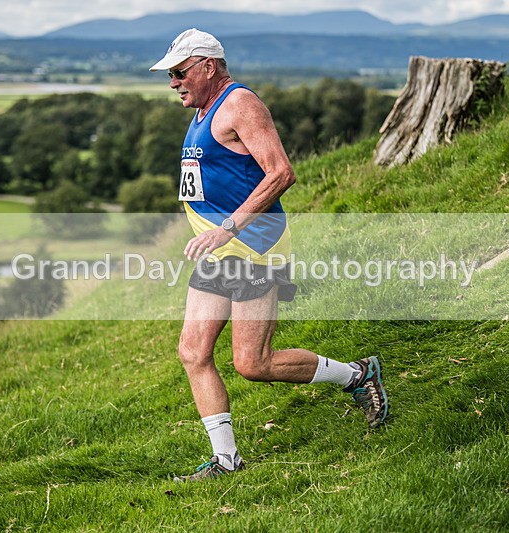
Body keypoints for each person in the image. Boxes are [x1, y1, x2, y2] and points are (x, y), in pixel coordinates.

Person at [149, 28, 388, 482]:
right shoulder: (202, 110)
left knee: (252, 363)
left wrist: (227, 227)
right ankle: (226, 461)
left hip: (254, 249)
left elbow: (280, 173)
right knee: (193, 352)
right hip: (220, 254)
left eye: (180, 72)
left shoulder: (239, 103)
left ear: (208, 66)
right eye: (170, 75)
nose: (174, 82)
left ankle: (357, 375)